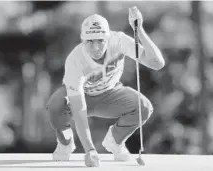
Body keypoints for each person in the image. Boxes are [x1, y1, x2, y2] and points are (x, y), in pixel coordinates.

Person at [46, 6, 165, 167]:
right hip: (82, 99)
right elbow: (80, 112)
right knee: (55, 105)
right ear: (82, 40)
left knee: (144, 107)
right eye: (90, 41)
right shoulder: (75, 60)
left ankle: (115, 141)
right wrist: (90, 151)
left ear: (108, 38)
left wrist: (139, 31)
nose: (96, 48)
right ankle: (65, 142)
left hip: (111, 94)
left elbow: (157, 63)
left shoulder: (120, 41)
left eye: (101, 41)